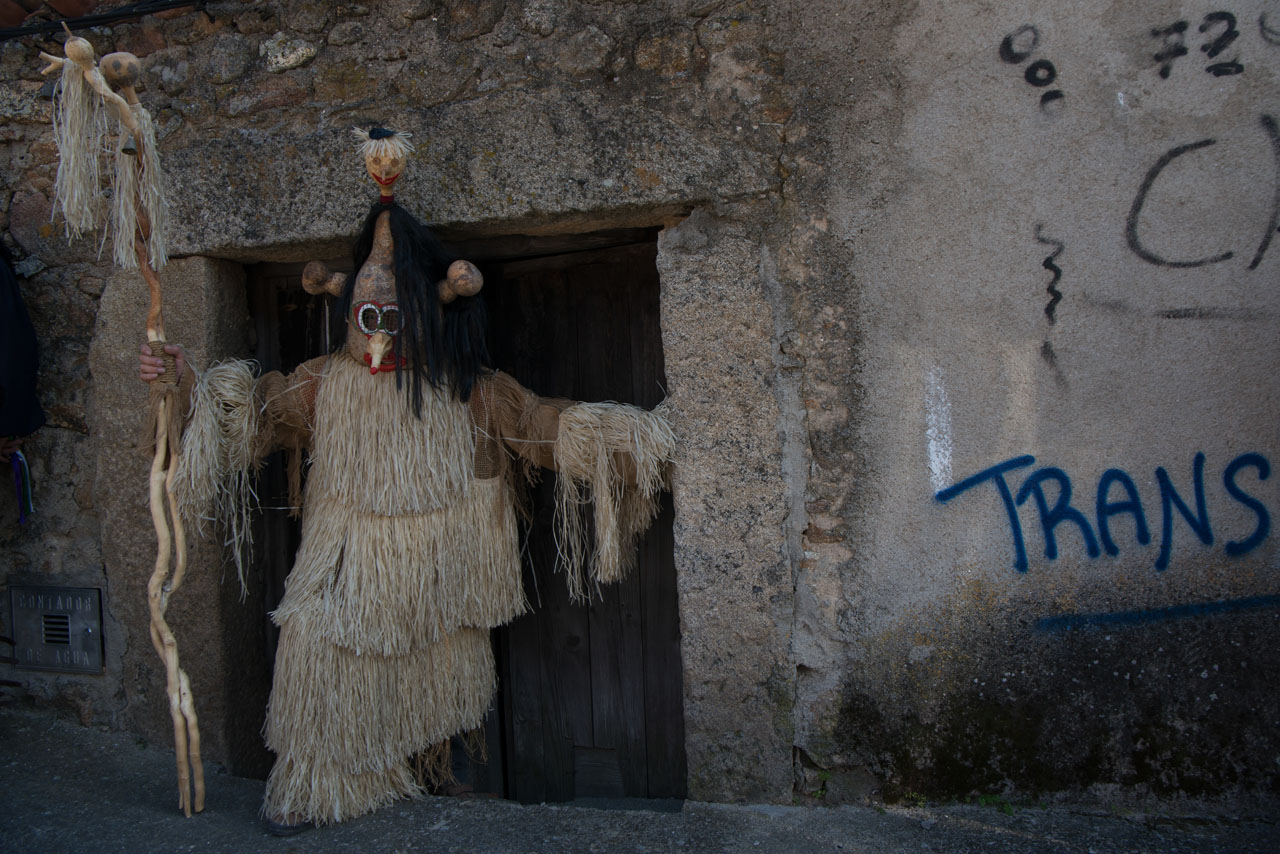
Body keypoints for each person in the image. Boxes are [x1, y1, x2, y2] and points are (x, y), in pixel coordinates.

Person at [140, 128, 672, 832]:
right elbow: (247, 420)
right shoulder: (321, 386)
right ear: (347, 311)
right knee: (317, 652)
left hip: (444, 580)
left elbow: (544, 427)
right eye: (367, 314)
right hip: (345, 573)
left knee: (440, 671)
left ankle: (432, 768)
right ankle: (317, 787)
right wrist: (179, 383)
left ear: (426, 310)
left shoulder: (474, 391)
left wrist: (634, 436)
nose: (380, 330)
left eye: (392, 314)